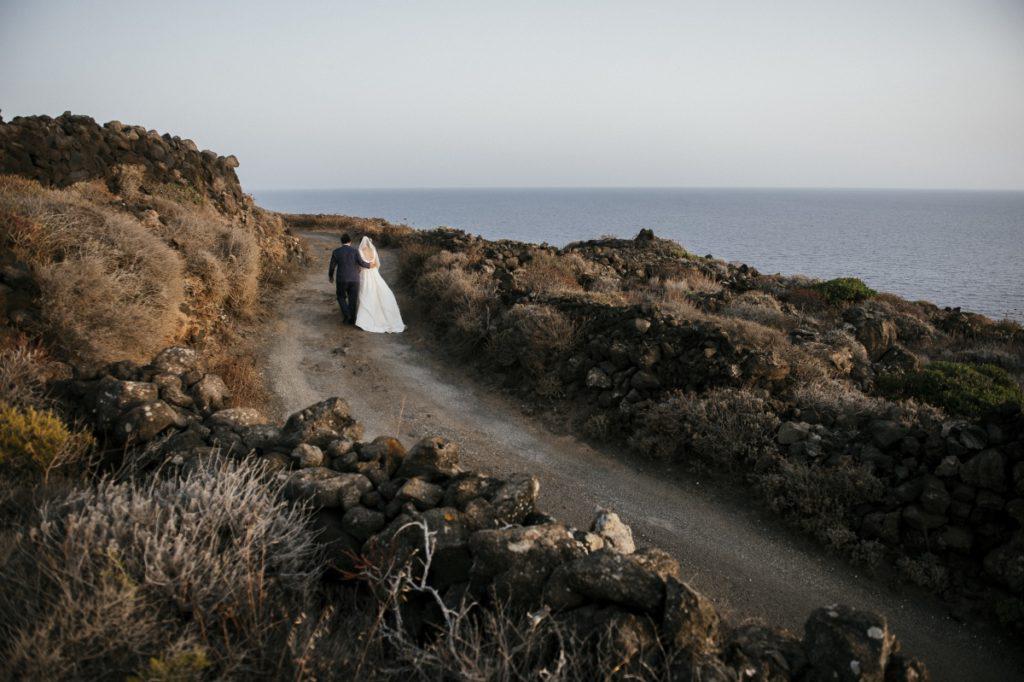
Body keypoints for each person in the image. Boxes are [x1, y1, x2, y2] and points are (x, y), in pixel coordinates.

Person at [354, 236, 405, 333]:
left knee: (364, 294)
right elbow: (377, 264)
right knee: (379, 292)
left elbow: (360, 264)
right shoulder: (373, 250)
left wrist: (360, 270)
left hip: (365, 274)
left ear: (361, 243)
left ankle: (364, 320)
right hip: (374, 273)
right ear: (369, 242)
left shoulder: (359, 251)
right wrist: (374, 270)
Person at [327, 233, 371, 324]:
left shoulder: (336, 252)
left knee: (341, 297)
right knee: (353, 299)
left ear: (341, 242)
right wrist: (370, 265)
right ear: (350, 242)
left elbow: (332, 266)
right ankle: (352, 320)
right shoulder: (355, 251)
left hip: (342, 279)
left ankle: (347, 315)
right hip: (354, 279)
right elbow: (361, 263)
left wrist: (330, 276)